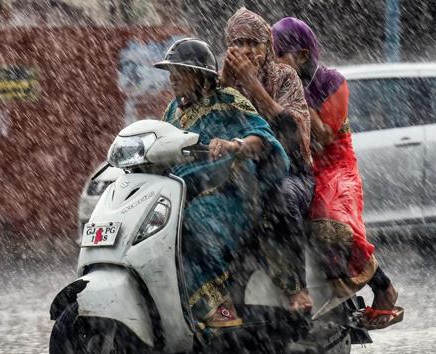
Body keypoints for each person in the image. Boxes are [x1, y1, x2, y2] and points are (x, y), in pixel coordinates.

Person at [271, 17, 403, 330]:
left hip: (334, 165)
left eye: (280, 55)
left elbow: (323, 136)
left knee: (330, 214)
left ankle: (383, 288)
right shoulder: (272, 82)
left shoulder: (331, 82)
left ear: (302, 55)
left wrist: (294, 90)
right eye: (271, 56)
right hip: (294, 164)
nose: (274, 63)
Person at [154, 38, 289, 329]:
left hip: (229, 195)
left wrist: (234, 145)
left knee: (189, 224)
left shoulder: (227, 100)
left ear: (201, 76)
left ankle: (218, 305)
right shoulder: (170, 112)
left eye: (180, 70)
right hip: (179, 193)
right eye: (170, 70)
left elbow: (263, 138)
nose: (172, 77)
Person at [219, 7, 314, 312]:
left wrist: (252, 85)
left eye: (253, 43)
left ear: (267, 47)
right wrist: (223, 85)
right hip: (237, 173)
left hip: (291, 174)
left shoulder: (284, 77)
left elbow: (292, 136)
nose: (246, 50)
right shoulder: (221, 83)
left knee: (279, 198)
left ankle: (296, 289)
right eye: (238, 43)